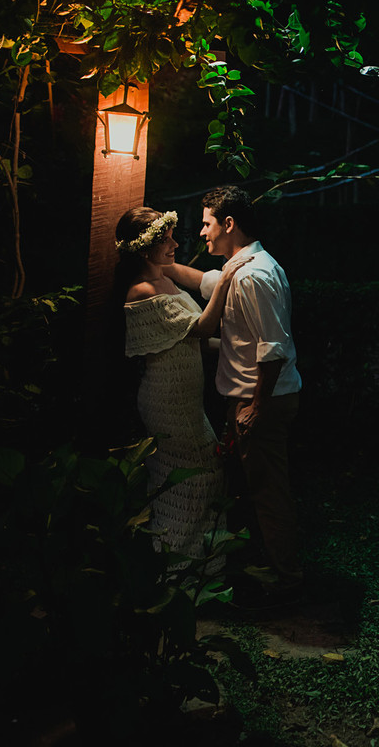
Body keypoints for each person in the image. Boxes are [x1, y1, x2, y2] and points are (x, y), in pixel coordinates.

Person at [162, 186, 305, 594]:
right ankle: (274, 568)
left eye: (207, 224)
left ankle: (287, 581)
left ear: (229, 224)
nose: (202, 233)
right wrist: (162, 266)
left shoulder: (253, 277)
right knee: (258, 488)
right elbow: (208, 282)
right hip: (255, 398)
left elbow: (272, 347)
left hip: (262, 400)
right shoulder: (241, 268)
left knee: (269, 491)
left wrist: (255, 407)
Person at [115, 206, 251, 576]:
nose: (175, 244)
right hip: (166, 400)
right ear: (145, 251)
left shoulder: (164, 278)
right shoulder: (142, 291)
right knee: (196, 473)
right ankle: (176, 565)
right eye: (166, 240)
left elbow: (191, 342)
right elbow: (201, 329)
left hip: (184, 398)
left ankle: (192, 563)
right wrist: (225, 280)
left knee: (201, 472)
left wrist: (240, 348)